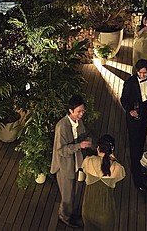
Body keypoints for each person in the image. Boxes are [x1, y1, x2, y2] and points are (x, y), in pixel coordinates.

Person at [50, 95, 92, 228]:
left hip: (74, 163)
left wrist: (88, 140)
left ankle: (70, 212)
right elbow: (60, 151)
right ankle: (64, 217)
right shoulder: (61, 127)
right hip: (64, 166)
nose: (81, 114)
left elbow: (83, 135)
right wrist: (79, 146)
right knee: (67, 194)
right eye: (79, 111)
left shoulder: (79, 122)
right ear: (70, 111)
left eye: (83, 111)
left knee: (73, 191)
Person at [121, 59, 147, 191]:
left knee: (141, 144)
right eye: (140, 73)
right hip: (134, 118)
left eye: (145, 73)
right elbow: (123, 100)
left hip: (145, 115)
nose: (143, 76)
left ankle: (140, 173)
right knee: (135, 148)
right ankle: (137, 180)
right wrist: (130, 110)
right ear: (136, 72)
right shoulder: (130, 83)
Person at [81, 134, 126, 231]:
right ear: (112, 150)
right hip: (105, 213)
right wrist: (114, 159)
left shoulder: (88, 161)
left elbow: (84, 169)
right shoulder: (116, 167)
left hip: (88, 210)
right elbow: (122, 175)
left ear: (98, 148)